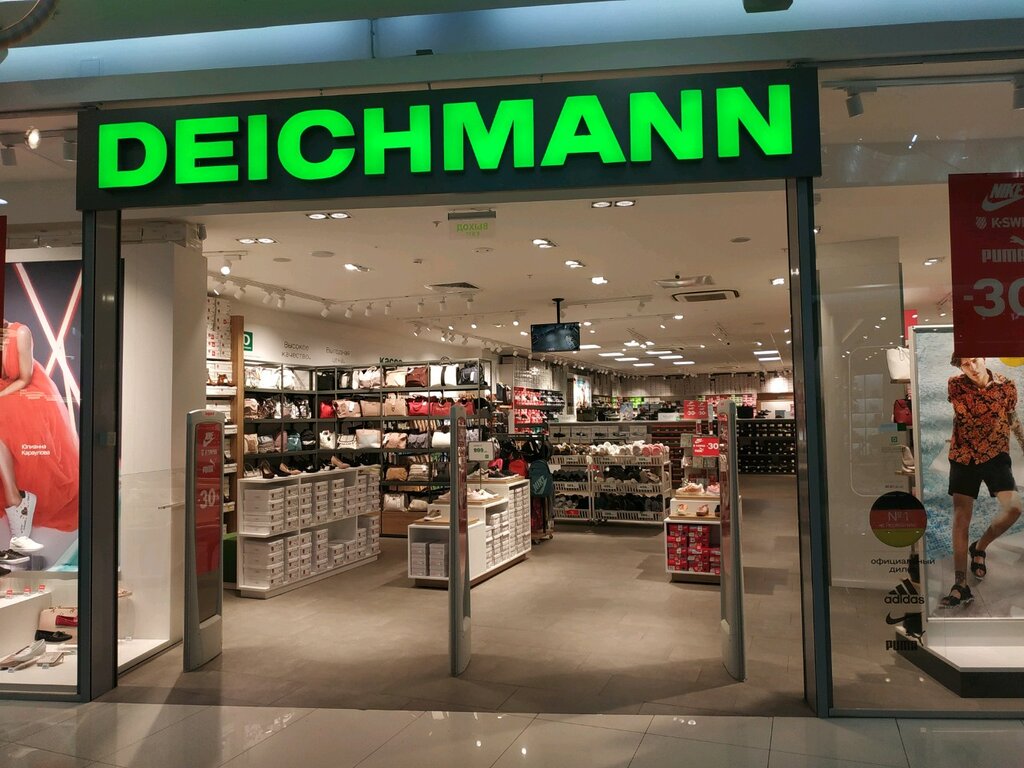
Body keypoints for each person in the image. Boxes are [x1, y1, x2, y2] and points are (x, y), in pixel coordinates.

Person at [939, 355, 1024, 608]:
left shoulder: (1006, 386)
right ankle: (960, 584)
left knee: (1014, 509)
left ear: (984, 358)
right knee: (961, 517)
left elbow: (1012, 418)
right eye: (965, 364)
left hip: (996, 455)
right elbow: (965, 416)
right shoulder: (955, 385)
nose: (972, 367)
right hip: (964, 456)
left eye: (975, 360)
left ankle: (980, 546)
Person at [0, 320, 80, 553]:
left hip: (24, 391)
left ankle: (15, 500)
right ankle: (17, 501)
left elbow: (24, 378)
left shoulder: (20, 333)